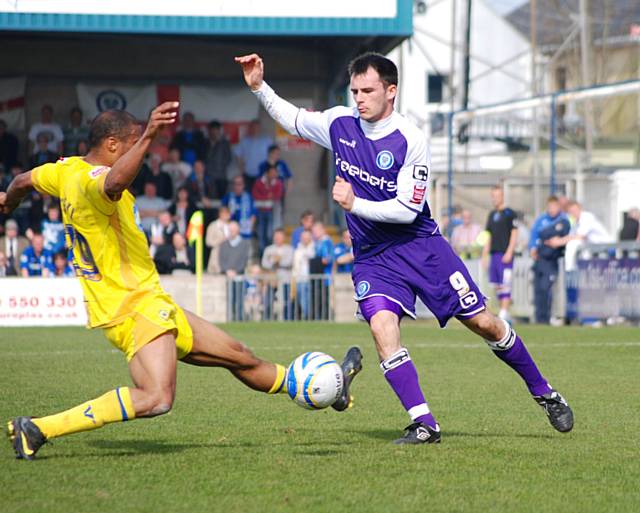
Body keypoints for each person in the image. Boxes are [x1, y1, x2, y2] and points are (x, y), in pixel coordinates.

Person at [237, 51, 573, 443]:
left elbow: (406, 209)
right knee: (383, 328)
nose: (359, 98)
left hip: (421, 248)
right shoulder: (339, 123)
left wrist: (353, 204)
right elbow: (291, 117)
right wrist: (259, 86)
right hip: (373, 257)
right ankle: (424, 424)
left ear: (391, 91)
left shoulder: (410, 140)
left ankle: (544, 392)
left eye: (368, 90)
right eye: (355, 90)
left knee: (484, 322)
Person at [0, 103, 358, 461]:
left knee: (241, 357)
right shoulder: (94, 180)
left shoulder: (63, 172)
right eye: (133, 143)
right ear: (111, 145)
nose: (138, 151)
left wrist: (8, 202)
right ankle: (40, 427)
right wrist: (152, 135)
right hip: (133, 307)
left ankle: (326, 388)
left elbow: (21, 181)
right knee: (157, 398)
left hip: (153, 303)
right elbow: (114, 181)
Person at [528, 196, 571, 325]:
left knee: (547, 288)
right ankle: (539, 318)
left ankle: (547, 318)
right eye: (550, 207)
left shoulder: (563, 220)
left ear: (558, 207)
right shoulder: (541, 219)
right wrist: (532, 248)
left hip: (552, 260)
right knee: (538, 290)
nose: (552, 209)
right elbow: (535, 234)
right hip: (539, 260)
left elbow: (562, 232)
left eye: (554, 207)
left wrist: (547, 235)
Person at [482, 186, 518, 323]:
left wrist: (509, 251)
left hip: (505, 254)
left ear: (503, 196)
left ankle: (504, 313)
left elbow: (514, 233)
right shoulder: (492, 215)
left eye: (497, 195)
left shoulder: (510, 213)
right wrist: (485, 254)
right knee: (497, 284)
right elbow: (489, 235)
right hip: (494, 254)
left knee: (505, 283)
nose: (494, 198)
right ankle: (504, 312)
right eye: (493, 196)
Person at [261, 228, 294, 319]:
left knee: (286, 301)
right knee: (268, 300)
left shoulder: (289, 249)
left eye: (280, 237)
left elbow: (288, 262)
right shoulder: (269, 249)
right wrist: (274, 261)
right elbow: (264, 263)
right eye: (276, 237)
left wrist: (278, 260)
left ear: (283, 238)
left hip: (285, 279)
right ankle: (267, 318)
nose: (278, 239)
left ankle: (287, 319)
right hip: (272, 280)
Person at [258, 144, 293, 227]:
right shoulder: (263, 165)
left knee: (279, 211)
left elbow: (289, 177)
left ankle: (278, 230)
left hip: (279, 192)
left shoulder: (281, 164)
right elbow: (259, 180)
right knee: (265, 213)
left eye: (278, 153)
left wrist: (287, 190)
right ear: (270, 153)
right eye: (276, 153)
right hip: (266, 194)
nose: (278, 155)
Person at [252, 164, 283, 255]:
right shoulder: (259, 182)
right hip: (260, 212)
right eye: (272, 173)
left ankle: (269, 254)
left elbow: (277, 196)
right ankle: (262, 256)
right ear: (267, 173)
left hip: (271, 212)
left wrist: (267, 197)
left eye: (275, 173)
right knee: (261, 235)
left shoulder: (278, 183)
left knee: (270, 234)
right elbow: (255, 195)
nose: (274, 175)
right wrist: (267, 196)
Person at [234, 119, 272, 192]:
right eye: (253, 127)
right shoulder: (244, 141)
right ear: (250, 128)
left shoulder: (267, 141)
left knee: (262, 196)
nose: (255, 129)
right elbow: (237, 154)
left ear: (260, 128)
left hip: (263, 175)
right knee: (248, 196)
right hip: (247, 174)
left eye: (257, 127)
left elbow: (273, 155)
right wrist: (241, 168)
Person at [222, 176, 256, 240]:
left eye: (239, 184)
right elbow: (223, 213)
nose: (237, 187)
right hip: (230, 231)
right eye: (235, 184)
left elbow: (253, 215)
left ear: (243, 185)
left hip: (245, 232)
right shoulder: (228, 197)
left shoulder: (249, 197)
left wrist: (249, 228)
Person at [205, 120, 232, 199]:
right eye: (212, 130)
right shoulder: (206, 142)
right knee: (209, 199)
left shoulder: (224, 143)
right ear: (209, 131)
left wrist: (221, 166)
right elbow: (203, 157)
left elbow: (228, 158)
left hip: (221, 176)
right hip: (208, 176)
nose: (214, 132)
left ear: (219, 131)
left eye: (216, 130)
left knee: (221, 198)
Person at [292, 230, 315, 320]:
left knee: (308, 300)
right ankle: (306, 317)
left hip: (310, 278)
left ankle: (309, 317)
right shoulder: (297, 250)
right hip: (299, 279)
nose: (305, 239)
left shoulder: (314, 248)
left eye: (307, 237)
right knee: (302, 300)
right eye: (303, 237)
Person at [206, 206, 231, 274]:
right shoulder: (213, 226)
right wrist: (221, 240)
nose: (226, 215)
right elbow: (208, 242)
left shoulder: (231, 225)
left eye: (227, 213)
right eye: (224, 213)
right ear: (220, 214)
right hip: (216, 256)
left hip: (229, 257)